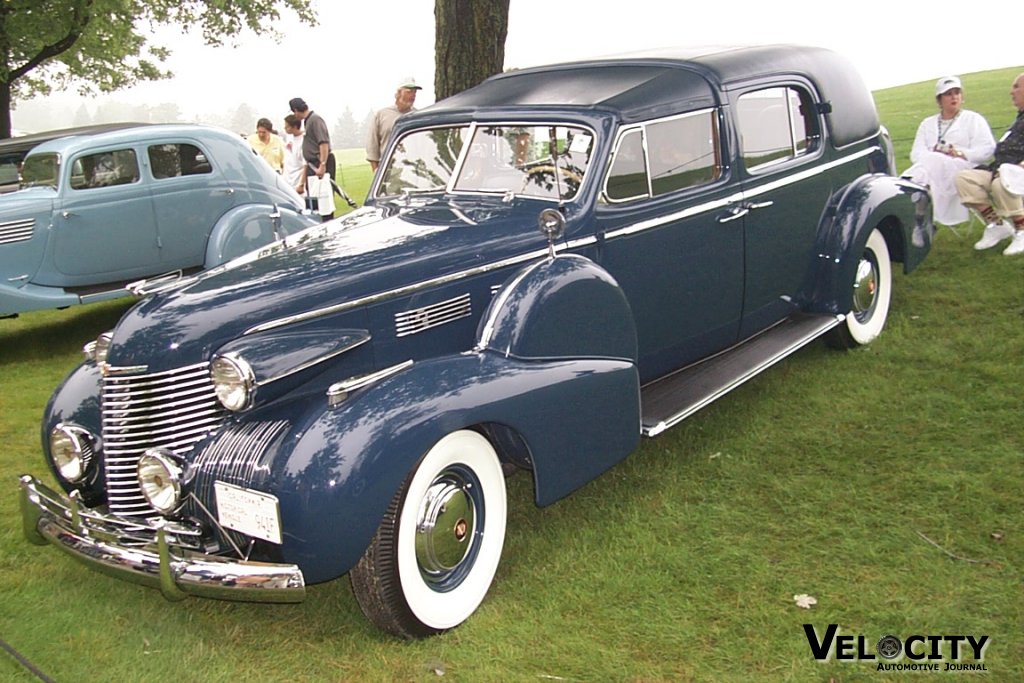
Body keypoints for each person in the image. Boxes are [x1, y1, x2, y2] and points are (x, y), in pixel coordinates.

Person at [903, 76, 995, 226]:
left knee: (927, 167)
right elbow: (916, 154)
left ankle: (910, 197)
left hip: (963, 169)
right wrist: (935, 153)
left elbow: (987, 149)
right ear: (939, 100)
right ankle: (920, 221)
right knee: (929, 165)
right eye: (948, 94)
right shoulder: (927, 124)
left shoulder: (973, 119)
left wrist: (960, 153)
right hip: (931, 170)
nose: (954, 97)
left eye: (957, 92)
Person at [955, 72, 1024, 256]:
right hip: (998, 168)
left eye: (1016, 87)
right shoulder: (1019, 119)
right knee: (965, 179)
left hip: (1016, 172)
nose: (1012, 92)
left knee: (1000, 182)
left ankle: (1022, 229)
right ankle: (996, 225)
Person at [288, 97, 335, 221]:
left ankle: (326, 223)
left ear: (297, 110)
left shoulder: (315, 120)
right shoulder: (308, 121)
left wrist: (322, 164)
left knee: (323, 200)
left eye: (294, 112)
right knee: (314, 201)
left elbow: (323, 143)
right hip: (313, 164)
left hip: (319, 163)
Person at [365, 77, 422, 172]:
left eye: (415, 92)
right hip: (389, 170)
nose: (413, 95)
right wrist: (376, 172)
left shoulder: (419, 116)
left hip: (413, 170)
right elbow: (372, 146)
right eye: (409, 92)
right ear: (399, 93)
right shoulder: (382, 115)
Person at [282, 113, 305, 194]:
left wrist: (301, 184)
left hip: (297, 180)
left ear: (295, 126)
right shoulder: (289, 137)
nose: (285, 128)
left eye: (287, 126)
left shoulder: (303, 141)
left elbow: (306, 164)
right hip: (286, 179)